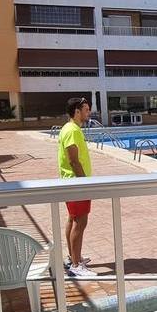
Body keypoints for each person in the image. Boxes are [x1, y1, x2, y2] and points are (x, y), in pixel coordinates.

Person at [58, 97, 96, 277]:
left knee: (73, 219)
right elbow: (74, 160)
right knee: (80, 221)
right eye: (86, 109)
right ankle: (75, 265)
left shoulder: (69, 128)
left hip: (70, 181)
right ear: (77, 111)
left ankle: (74, 257)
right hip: (76, 182)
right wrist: (84, 182)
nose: (89, 113)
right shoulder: (72, 130)